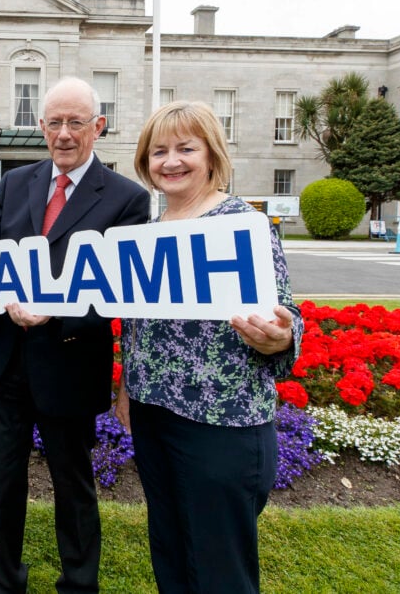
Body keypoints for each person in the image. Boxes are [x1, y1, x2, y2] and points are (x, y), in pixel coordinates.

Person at [0, 77, 150, 593]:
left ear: (98, 127)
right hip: (5, 360)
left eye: (76, 123)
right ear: (41, 127)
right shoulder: (15, 182)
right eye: (54, 123)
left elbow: (122, 294)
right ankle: (5, 583)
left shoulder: (128, 200)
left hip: (70, 363)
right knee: (3, 483)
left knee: (73, 484)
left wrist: (54, 314)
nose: (64, 134)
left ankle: (79, 584)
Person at [115, 100, 304, 594]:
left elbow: (285, 317)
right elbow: (138, 327)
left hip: (223, 423)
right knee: (172, 551)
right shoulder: (150, 232)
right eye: (159, 151)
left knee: (221, 568)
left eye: (185, 149)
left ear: (212, 155)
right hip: (155, 415)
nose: (170, 161)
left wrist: (280, 337)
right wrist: (126, 387)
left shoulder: (244, 223)